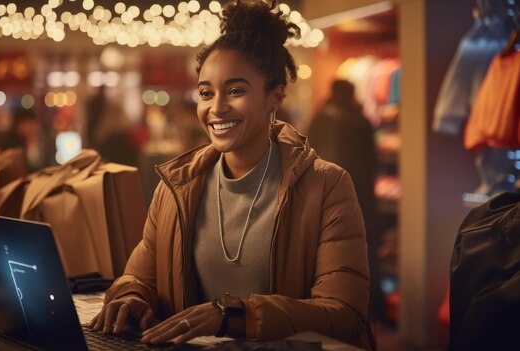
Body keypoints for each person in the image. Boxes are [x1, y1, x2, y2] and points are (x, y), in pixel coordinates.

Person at [89, 1, 373, 349]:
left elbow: (345, 313)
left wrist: (235, 315)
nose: (216, 107)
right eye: (206, 93)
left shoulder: (326, 185)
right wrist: (130, 297)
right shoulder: (178, 186)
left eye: (236, 91)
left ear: (275, 96)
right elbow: (139, 276)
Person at [307, 79, 383, 321]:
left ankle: (332, 311)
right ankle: (369, 309)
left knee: (328, 255)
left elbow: (308, 158)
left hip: (324, 196)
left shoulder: (320, 118)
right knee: (364, 251)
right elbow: (373, 161)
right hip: (362, 197)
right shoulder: (361, 121)